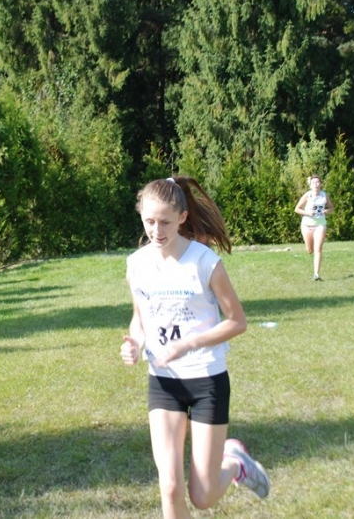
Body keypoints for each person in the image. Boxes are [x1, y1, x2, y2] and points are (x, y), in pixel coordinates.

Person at [120, 176, 269, 517]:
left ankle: (235, 463)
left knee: (202, 496)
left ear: (182, 217)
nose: (156, 230)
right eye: (149, 221)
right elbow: (139, 317)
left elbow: (237, 321)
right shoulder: (136, 264)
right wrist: (136, 343)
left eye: (165, 222)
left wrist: (189, 343)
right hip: (164, 382)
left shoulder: (204, 262)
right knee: (170, 486)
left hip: (206, 381)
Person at [294, 175, 334, 281]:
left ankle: (316, 274)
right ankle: (309, 250)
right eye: (313, 183)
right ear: (310, 185)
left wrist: (327, 211)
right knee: (310, 250)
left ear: (321, 184)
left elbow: (331, 207)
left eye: (317, 182)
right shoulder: (308, 195)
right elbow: (297, 209)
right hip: (307, 225)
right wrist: (308, 213)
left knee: (318, 249)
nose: (316, 184)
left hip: (320, 224)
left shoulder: (324, 195)